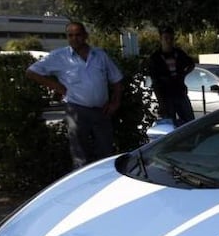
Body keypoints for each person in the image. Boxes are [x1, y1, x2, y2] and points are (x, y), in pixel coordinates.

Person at [26, 21, 123, 169]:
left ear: (85, 36)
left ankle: (105, 183)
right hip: (77, 110)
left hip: (102, 111)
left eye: (78, 35)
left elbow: (117, 80)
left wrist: (115, 102)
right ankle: (83, 188)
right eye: (70, 35)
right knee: (80, 156)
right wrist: (57, 86)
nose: (74, 39)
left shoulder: (99, 55)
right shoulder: (59, 56)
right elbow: (31, 72)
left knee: (106, 153)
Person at [147, 26, 195, 126]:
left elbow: (191, 64)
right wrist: (161, 101)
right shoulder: (155, 58)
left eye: (171, 38)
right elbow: (155, 81)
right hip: (166, 95)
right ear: (161, 39)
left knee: (190, 122)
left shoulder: (179, 53)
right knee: (170, 124)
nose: (169, 41)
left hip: (180, 92)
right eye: (166, 38)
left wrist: (183, 75)